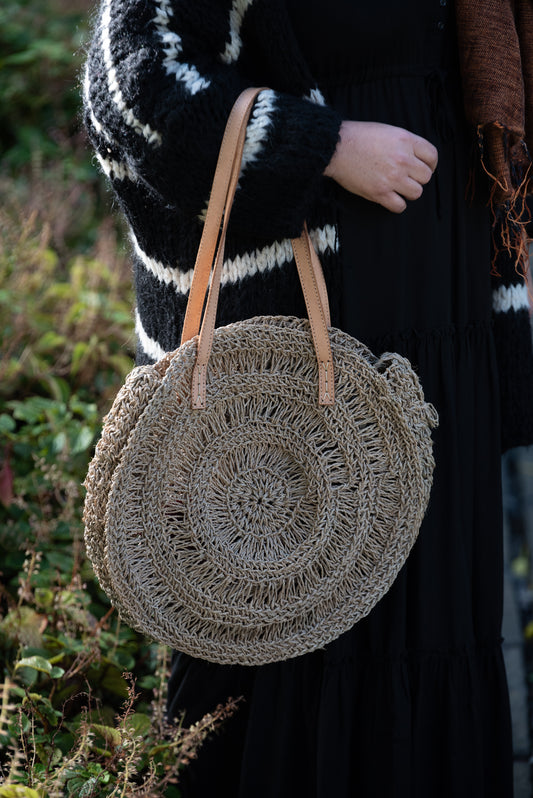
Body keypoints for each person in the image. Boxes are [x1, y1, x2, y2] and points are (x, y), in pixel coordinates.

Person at [83, 1, 533, 795]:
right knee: (279, 637)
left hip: (437, 328)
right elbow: (132, 86)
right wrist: (324, 145)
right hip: (291, 355)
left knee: (435, 636)